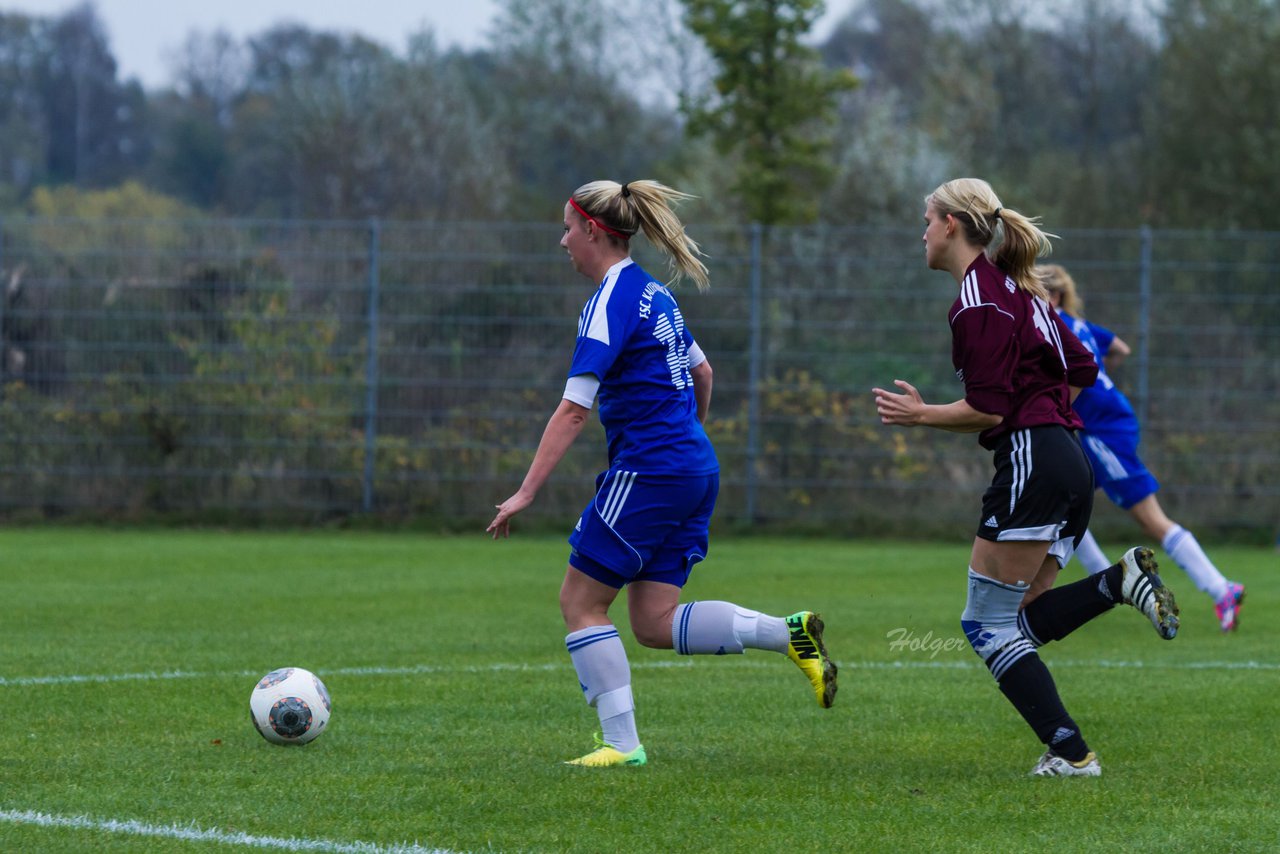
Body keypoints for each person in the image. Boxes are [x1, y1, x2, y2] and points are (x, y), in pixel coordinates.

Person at [487, 179, 837, 768]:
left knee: (580, 602)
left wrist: (525, 492)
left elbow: (574, 409)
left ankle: (621, 746)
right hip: (693, 468)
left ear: (594, 231)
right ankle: (789, 634)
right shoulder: (655, 295)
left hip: (651, 470)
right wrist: (689, 439)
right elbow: (704, 372)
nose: (563, 240)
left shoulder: (608, 302)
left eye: (569, 229)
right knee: (652, 621)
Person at [873, 177, 1180, 778]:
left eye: (928, 220)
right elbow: (1084, 367)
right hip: (1069, 461)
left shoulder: (978, 300)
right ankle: (1117, 584)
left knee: (983, 625)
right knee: (1020, 622)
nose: (923, 232)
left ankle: (1072, 753)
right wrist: (1046, 411)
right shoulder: (1021, 291)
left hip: (1035, 461)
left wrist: (921, 415)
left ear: (953, 225)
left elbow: (987, 408)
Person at [1039, 264, 1246, 632]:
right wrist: (1102, 374)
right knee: (1061, 503)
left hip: (1103, 431)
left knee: (1151, 519)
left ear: (1052, 296)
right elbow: (1120, 348)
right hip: (1102, 424)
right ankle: (1106, 582)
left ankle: (1221, 589)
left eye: (1034, 292)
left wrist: (1086, 388)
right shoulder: (1080, 326)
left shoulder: (1056, 326)